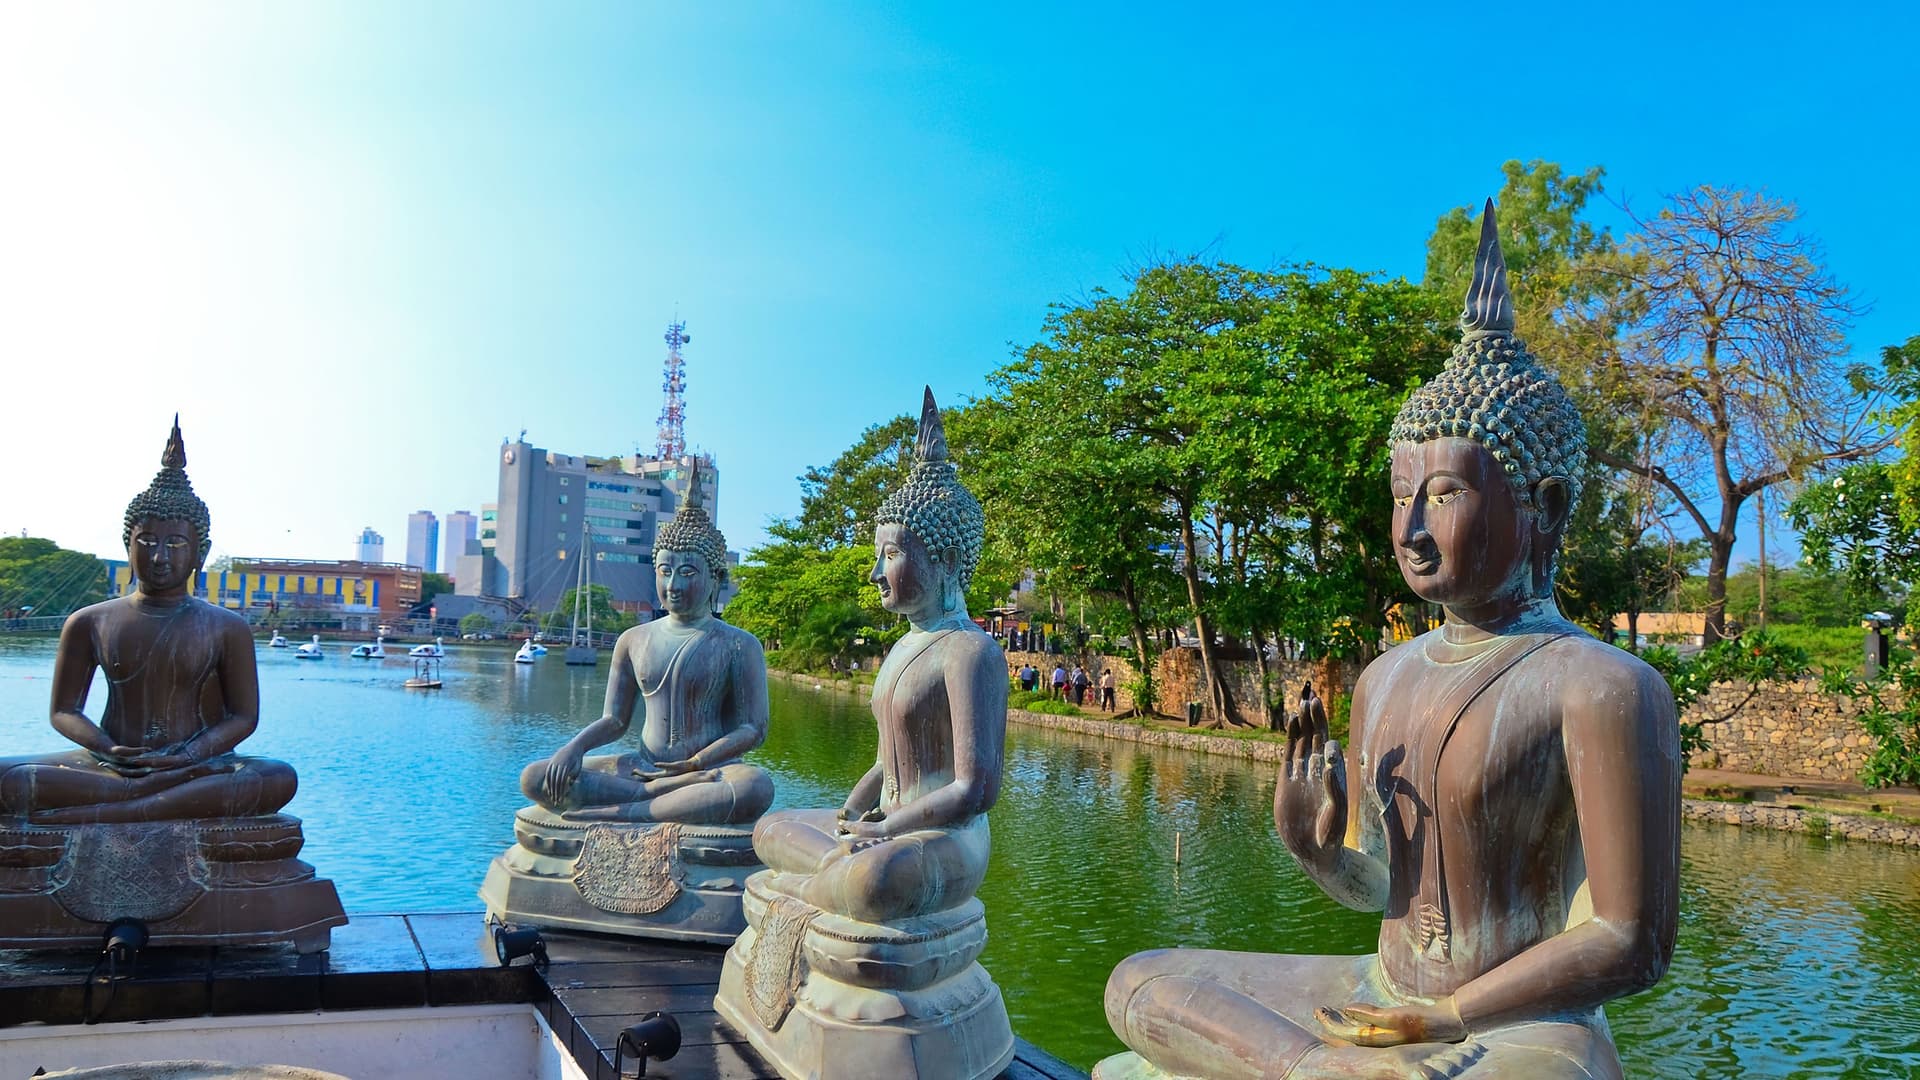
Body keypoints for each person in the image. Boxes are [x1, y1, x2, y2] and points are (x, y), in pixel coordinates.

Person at [1098, 205, 1680, 1079]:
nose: (1409, 528)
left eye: (1442, 495)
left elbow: (1630, 941)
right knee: (1139, 982)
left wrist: (1445, 1016)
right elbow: (1384, 887)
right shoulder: (1382, 678)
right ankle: (1318, 1069)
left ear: (1546, 508)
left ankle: (1315, 1066)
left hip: (1517, 1026)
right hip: (1383, 995)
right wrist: (1321, 854)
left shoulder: (1602, 686)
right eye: (1400, 496)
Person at [0, 420, 298, 825]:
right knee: (7, 778)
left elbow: (243, 717)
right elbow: (64, 711)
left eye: (175, 544)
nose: (159, 557)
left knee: (277, 776)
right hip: (109, 762)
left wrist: (187, 755)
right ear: (128, 545)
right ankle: (137, 797)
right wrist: (107, 748)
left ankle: (129, 805)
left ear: (201, 553)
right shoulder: (89, 622)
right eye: (146, 543)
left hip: (193, 766)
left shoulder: (226, 628)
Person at [518, 461, 773, 825]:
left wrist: (696, 763)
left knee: (755, 786)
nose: (674, 585)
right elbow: (614, 720)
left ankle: (626, 810)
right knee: (536, 777)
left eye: (688, 572)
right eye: (665, 571)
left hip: (709, 771)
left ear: (715, 577)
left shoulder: (738, 644)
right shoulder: (633, 639)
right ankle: (651, 797)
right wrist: (574, 747)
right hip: (642, 768)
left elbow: (753, 729)